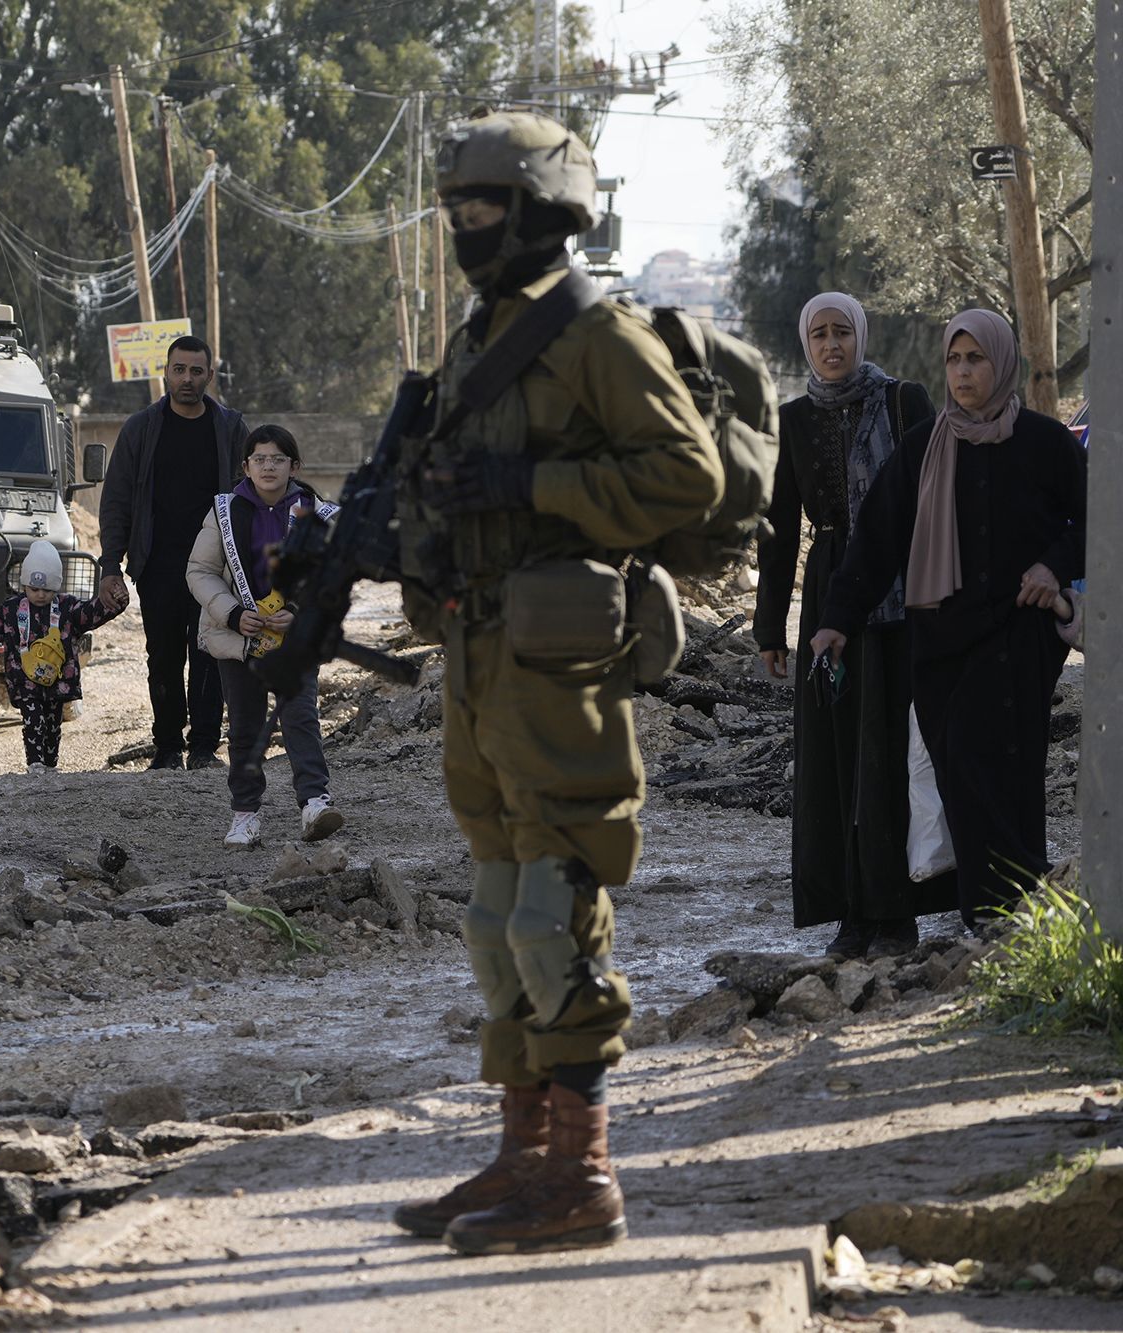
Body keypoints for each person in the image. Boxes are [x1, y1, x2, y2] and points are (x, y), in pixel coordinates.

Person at [386, 112, 723, 1256]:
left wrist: (528, 480)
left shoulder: (594, 333)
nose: (464, 228)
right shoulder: (482, 332)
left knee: (550, 911)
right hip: (476, 658)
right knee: (493, 920)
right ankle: (523, 1153)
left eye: (484, 207)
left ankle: (583, 1176)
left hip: (559, 663)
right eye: (457, 209)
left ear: (541, 213)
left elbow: (685, 473)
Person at [814, 309, 1085, 925]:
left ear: (1002, 363)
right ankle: (1005, 904)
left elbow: (1094, 520)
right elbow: (877, 539)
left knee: (1003, 760)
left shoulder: (1046, 445)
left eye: (976, 359)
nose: (962, 373)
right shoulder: (925, 448)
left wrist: (1052, 565)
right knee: (960, 766)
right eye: (953, 360)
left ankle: (999, 909)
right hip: (940, 639)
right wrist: (837, 619)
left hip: (1021, 633)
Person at [753, 294, 947, 958]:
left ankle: (898, 913)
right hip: (832, 594)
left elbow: (937, 498)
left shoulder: (905, 403)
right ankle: (849, 913)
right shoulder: (793, 420)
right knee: (834, 756)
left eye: (842, 332)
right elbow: (777, 530)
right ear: (806, 344)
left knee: (893, 749)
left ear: (861, 336)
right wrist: (769, 628)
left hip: (904, 593)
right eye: (819, 334)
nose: (832, 344)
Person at [186, 425, 345, 846]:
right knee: (245, 728)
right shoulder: (224, 510)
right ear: (246, 466)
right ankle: (245, 815)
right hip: (239, 638)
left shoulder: (318, 513)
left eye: (278, 459)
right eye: (260, 458)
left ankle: (315, 803)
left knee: (300, 718)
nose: (268, 466)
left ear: (295, 466)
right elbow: (199, 572)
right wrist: (233, 614)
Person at [97, 336, 247, 771]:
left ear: (210, 376)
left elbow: (252, 492)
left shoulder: (231, 428)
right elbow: (117, 500)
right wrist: (112, 565)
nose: (187, 379)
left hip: (216, 565)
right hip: (158, 563)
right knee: (162, 656)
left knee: (209, 652)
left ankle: (203, 748)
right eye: (179, 369)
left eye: (196, 371)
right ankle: (166, 749)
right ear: (166, 372)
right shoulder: (141, 428)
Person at [0, 540, 123, 773]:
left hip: (57, 682)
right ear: (24, 585)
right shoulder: (11, 609)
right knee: (32, 720)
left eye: (47, 590)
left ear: (57, 587)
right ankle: (35, 763)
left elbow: (91, 614)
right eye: (34, 588)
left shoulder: (68, 608)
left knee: (52, 724)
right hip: (25, 680)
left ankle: (50, 764)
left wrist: (115, 603)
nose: (40, 594)